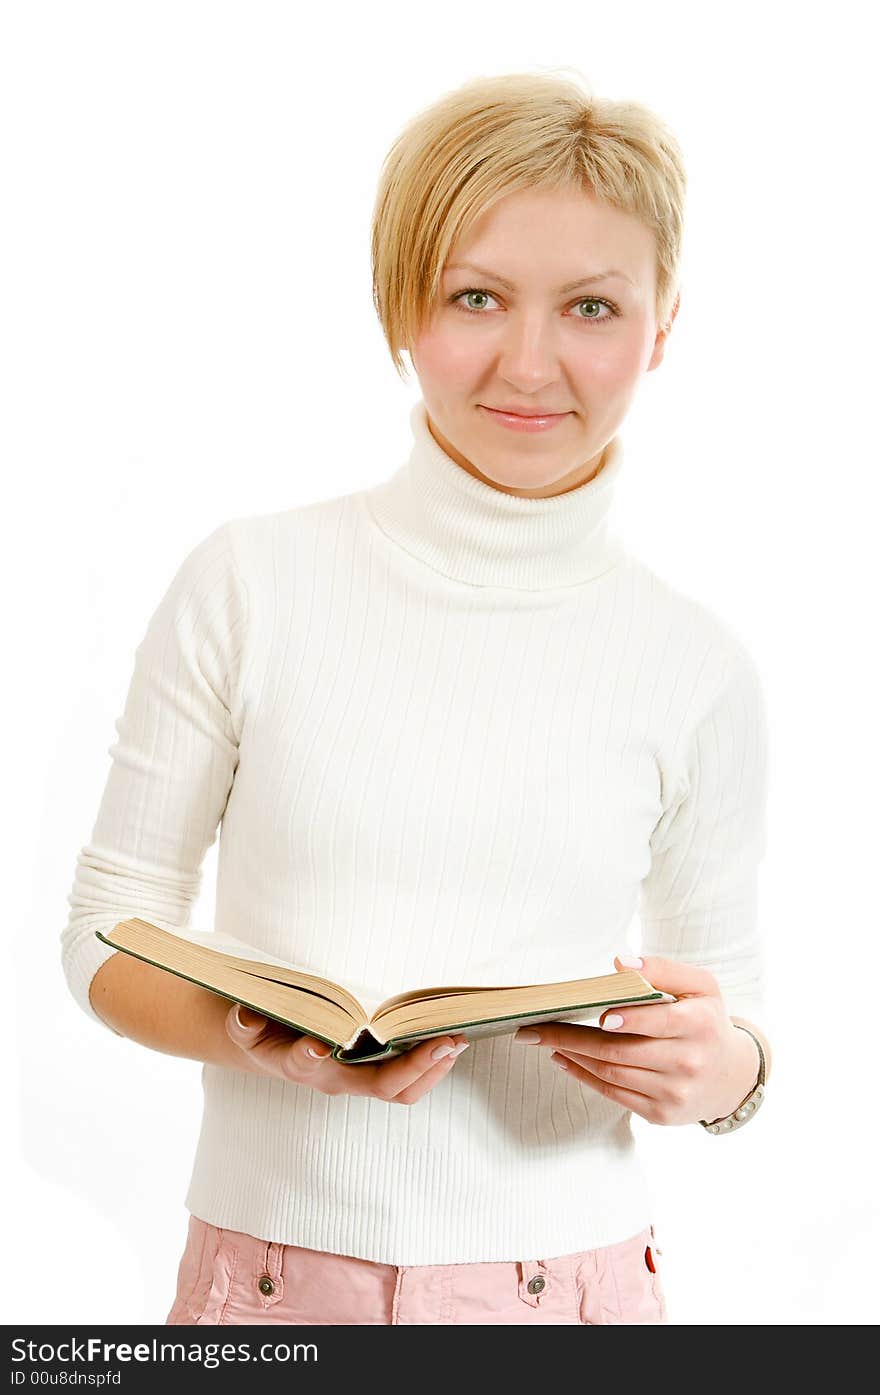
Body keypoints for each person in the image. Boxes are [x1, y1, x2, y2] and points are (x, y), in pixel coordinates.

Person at [61, 70, 773, 1326]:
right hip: (271, 1287)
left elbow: (729, 1009)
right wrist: (244, 1036)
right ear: (401, 308)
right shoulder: (250, 582)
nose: (530, 361)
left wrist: (720, 1068)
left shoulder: (694, 663)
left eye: (593, 306)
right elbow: (107, 931)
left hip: (577, 1293)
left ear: (662, 327)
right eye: (476, 296)